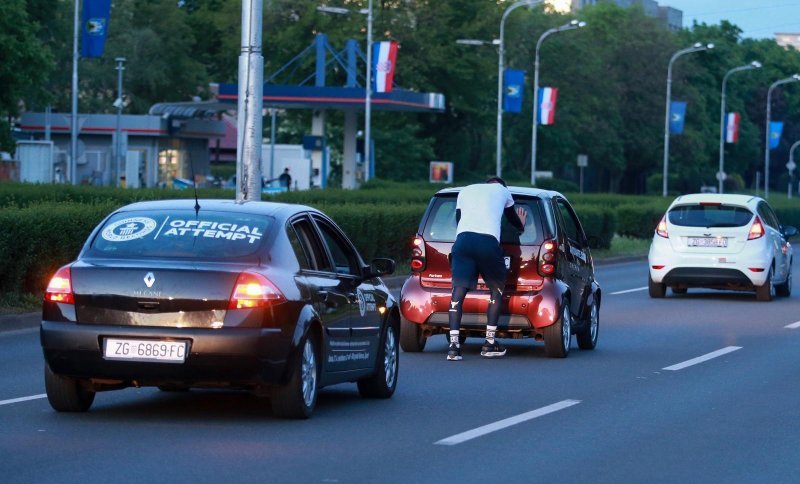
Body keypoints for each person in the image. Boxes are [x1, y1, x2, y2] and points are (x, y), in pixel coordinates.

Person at [447, 176, 526, 361]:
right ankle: (489, 343)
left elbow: (459, 220)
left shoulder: (466, 189)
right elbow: (513, 219)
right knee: (496, 290)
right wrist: (521, 224)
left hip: (462, 242)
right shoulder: (504, 192)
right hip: (487, 243)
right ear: (502, 187)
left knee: (457, 292)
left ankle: (453, 346)